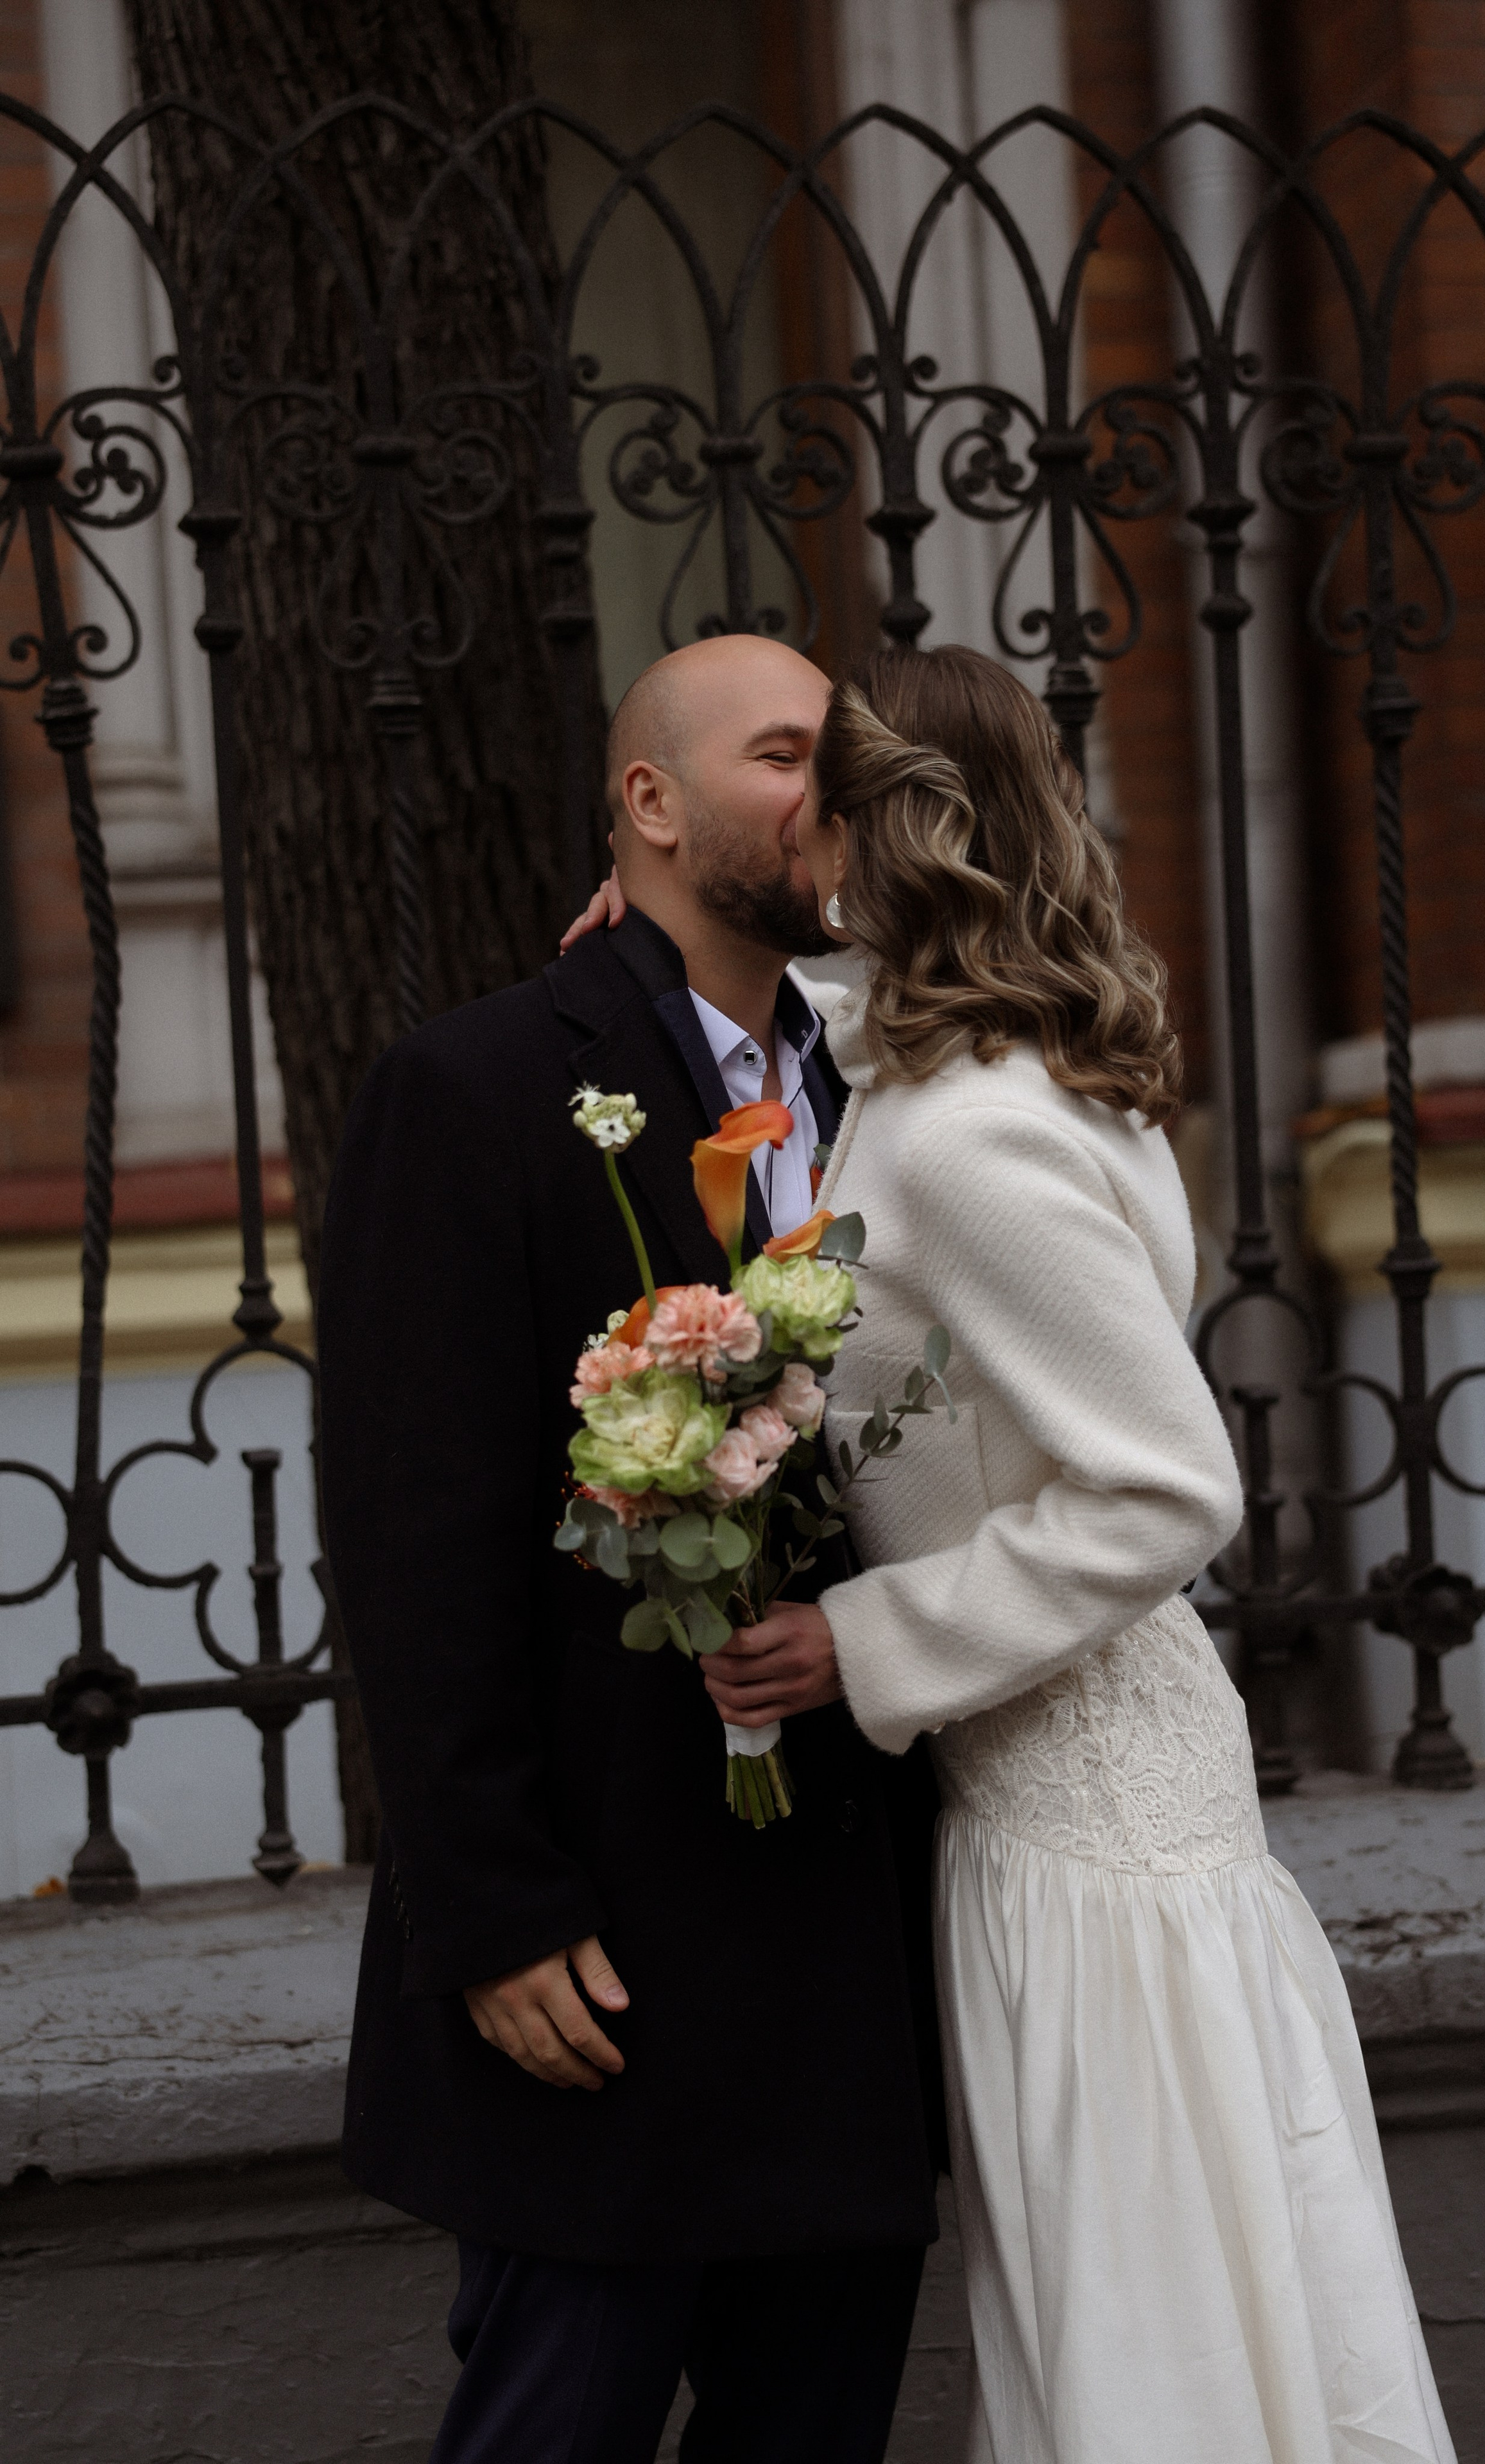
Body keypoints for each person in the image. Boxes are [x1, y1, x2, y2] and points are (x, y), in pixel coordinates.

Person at [711, 643, 1457, 2464]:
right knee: (1147, 2298)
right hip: (1050, 1788)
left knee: (1146, 2318)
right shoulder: (997, 1084)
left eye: (828, 790)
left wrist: (867, 1644)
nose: (794, 823)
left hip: (1084, 1815)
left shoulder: (974, 1139)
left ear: (904, 830)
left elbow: (1159, 1486)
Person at [319, 633, 943, 2464]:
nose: (828, 790)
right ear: (649, 805)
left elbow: (910, 1429)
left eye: (841, 755)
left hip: (850, 1965)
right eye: (781, 753)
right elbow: (409, 1535)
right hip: (611, 1963)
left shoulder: (894, 1094)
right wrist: (492, 1914)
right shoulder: (486, 1089)